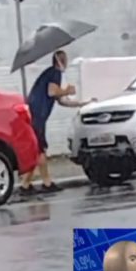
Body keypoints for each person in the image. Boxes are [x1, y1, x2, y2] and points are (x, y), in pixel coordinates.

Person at [19, 50, 95, 195]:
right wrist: (67, 91)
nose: (67, 62)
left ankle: (26, 184)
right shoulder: (54, 72)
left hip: (37, 116)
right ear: (61, 61)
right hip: (37, 116)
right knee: (40, 150)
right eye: (65, 59)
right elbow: (52, 92)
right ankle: (45, 183)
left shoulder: (51, 74)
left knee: (38, 150)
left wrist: (83, 103)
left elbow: (62, 101)